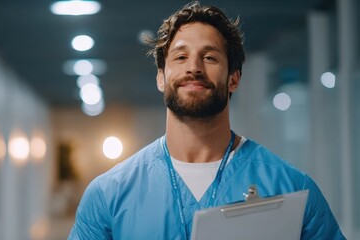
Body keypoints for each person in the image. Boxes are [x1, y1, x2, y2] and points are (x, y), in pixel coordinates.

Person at [68, 1, 345, 239]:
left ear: (233, 78)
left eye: (210, 57)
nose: (194, 67)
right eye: (181, 56)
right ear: (161, 78)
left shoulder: (293, 190)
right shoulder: (108, 195)